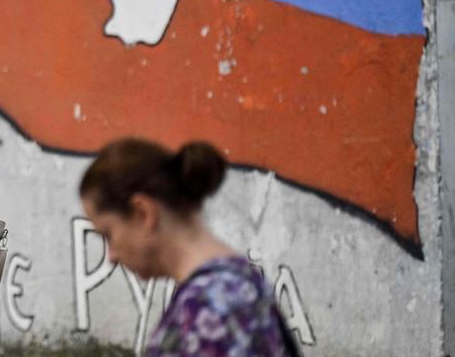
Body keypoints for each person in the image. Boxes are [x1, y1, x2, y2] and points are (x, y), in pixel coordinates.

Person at [79, 138, 299, 357]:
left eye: (108, 234)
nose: (111, 256)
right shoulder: (242, 282)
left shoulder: (206, 308)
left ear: (143, 212)